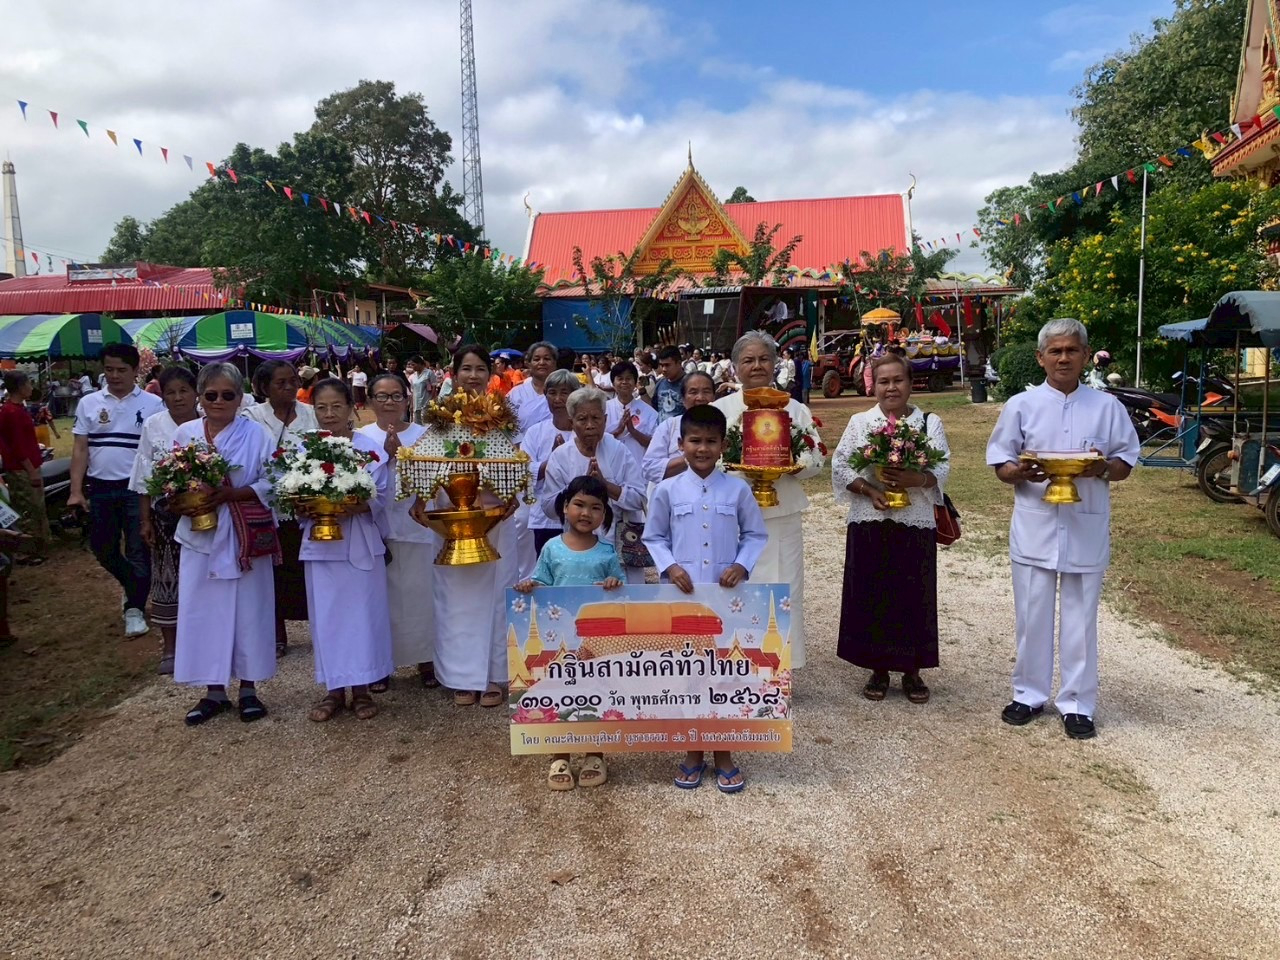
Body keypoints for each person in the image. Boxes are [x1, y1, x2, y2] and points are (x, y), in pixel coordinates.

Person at [986, 318, 1140, 740]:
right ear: (1041, 357)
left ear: (1086, 355)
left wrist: (1102, 467)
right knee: (1032, 615)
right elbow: (1001, 462)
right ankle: (1029, 694)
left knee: (1081, 619)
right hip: (1035, 527)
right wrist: (1021, 471)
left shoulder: (1107, 407)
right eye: (1055, 351)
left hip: (1085, 526)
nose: (1063, 358)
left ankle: (1077, 703)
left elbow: (1125, 461)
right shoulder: (1021, 405)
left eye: (1072, 350)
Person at [643, 404, 767, 794]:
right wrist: (670, 567)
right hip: (683, 598)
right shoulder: (667, 490)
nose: (702, 448)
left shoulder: (737, 488)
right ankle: (693, 753)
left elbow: (755, 535)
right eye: (694, 441)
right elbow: (654, 537)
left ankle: (725, 755)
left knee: (727, 675)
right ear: (680, 444)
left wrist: (742, 566)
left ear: (723, 445)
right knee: (689, 677)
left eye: (710, 441)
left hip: (728, 601)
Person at [831, 354, 950, 702]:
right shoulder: (860, 422)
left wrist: (919, 478)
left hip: (915, 521)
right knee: (872, 591)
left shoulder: (930, 422)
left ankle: (912, 670)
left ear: (911, 383)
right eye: (883, 381)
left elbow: (942, 467)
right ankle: (878, 667)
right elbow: (840, 466)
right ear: (873, 386)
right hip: (871, 518)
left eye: (898, 380)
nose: (891, 387)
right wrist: (870, 490)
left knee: (914, 593)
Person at [170, 362, 278, 726]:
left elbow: (273, 482)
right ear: (200, 398)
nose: (218, 401)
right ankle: (213, 690)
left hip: (244, 533)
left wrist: (233, 493)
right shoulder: (185, 434)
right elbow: (168, 479)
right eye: (211, 394)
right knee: (203, 611)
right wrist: (181, 496)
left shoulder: (257, 435)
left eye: (227, 395)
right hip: (200, 534)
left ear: (240, 397)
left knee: (250, 610)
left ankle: (248, 689)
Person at [412, 345, 517, 707]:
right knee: (456, 601)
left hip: (496, 521)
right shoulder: (440, 420)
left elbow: (516, 468)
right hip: (452, 523)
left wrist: (512, 493)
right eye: (466, 369)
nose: (473, 375)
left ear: (491, 375)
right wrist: (421, 502)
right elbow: (422, 464)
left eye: (480, 369)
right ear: (453, 374)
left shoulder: (501, 419)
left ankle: (493, 675)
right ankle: (461, 676)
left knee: (496, 599)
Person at [714, 332, 822, 667]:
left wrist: (787, 466)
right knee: (733, 592)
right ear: (735, 367)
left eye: (764, 359)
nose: (757, 366)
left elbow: (816, 458)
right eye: (748, 360)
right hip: (731, 517)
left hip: (782, 515)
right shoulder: (720, 410)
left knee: (784, 589)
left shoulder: (795, 409)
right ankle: (736, 667)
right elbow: (707, 458)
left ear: (775, 364)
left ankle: (782, 669)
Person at [515, 474, 625, 790]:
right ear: (565, 507)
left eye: (595, 507)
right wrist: (530, 586)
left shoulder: (606, 553)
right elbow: (543, 584)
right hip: (558, 639)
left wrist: (614, 585)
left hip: (595, 643)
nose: (585, 513)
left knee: (597, 692)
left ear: (605, 515)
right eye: (578, 504)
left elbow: (620, 592)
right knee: (559, 692)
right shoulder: (551, 548)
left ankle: (595, 754)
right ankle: (559, 754)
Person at [296, 378, 394, 722]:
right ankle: (333, 690)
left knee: (362, 616)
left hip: (360, 543)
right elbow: (293, 495)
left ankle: (363, 689)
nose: (329, 414)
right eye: (321, 407)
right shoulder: (304, 449)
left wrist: (354, 504)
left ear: (351, 408)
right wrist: (308, 506)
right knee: (327, 618)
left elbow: (382, 495)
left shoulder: (369, 447)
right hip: (321, 546)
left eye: (336, 406)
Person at [68, 344, 164, 637]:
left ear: (136, 371)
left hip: (137, 490)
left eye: (122, 370)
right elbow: (80, 449)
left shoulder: (152, 405)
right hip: (100, 488)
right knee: (102, 547)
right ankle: (133, 585)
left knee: (139, 549)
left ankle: (134, 610)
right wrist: (75, 491)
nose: (114, 375)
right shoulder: (89, 403)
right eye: (109, 369)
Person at [358, 372, 439, 690]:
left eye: (396, 396)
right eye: (382, 396)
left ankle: (427, 660)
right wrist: (386, 458)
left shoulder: (425, 433)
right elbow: (357, 483)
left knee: (422, 597)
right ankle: (381, 665)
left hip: (417, 527)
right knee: (381, 600)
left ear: (408, 399)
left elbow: (434, 480)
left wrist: (404, 459)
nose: (389, 402)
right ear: (370, 401)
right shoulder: (362, 437)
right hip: (376, 530)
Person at [245, 360, 320, 659]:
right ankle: (276, 633)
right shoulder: (252, 417)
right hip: (268, 507)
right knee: (272, 572)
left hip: (303, 506)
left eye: (293, 381)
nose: (290, 387)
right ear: (264, 387)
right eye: (281, 383)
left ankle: (319, 628)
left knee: (307, 570)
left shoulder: (311, 415)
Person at [131, 366, 201, 675]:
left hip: (204, 512)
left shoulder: (208, 422)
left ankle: (205, 641)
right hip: (165, 515)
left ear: (195, 393)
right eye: (170, 392)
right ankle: (170, 648)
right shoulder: (153, 425)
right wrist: (145, 520)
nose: (177, 398)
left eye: (183, 391)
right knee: (166, 579)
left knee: (204, 579)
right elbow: (144, 475)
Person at [542, 387, 645, 580]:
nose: (590, 425)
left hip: (620, 549)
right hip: (576, 553)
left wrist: (606, 486)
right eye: (582, 419)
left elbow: (640, 499)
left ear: (605, 420)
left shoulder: (619, 451)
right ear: (572, 423)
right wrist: (578, 490)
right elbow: (548, 508)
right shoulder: (560, 457)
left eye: (596, 418)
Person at [523, 369, 580, 557]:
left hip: (582, 517)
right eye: (552, 393)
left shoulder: (585, 431)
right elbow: (523, 471)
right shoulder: (535, 432)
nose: (557, 399)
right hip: (545, 518)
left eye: (564, 392)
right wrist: (551, 462)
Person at [0, 372, 50, 563]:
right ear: (20, 387)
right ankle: (25, 551)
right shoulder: (11, 412)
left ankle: (38, 545)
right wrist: (31, 470)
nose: (31, 387)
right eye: (28, 384)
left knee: (36, 506)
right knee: (27, 508)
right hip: (21, 469)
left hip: (29, 465)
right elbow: (18, 446)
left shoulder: (17, 409)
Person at [641, 371, 717, 497]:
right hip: (673, 500)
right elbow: (649, 468)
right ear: (683, 399)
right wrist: (688, 458)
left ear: (714, 396)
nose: (700, 398)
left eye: (706, 391)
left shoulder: (728, 426)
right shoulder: (670, 426)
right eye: (693, 392)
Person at [605, 361, 657, 467]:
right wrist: (617, 431)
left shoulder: (649, 412)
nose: (624, 382)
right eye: (620, 378)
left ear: (635, 382)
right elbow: (596, 440)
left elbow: (654, 443)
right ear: (613, 383)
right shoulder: (604, 409)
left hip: (638, 466)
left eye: (628, 378)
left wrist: (633, 431)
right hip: (610, 465)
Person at [654, 346, 685, 423]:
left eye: (667, 365)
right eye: (662, 365)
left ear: (679, 363)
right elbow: (653, 408)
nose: (664, 369)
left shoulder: (690, 383)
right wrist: (643, 392)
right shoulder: (660, 383)